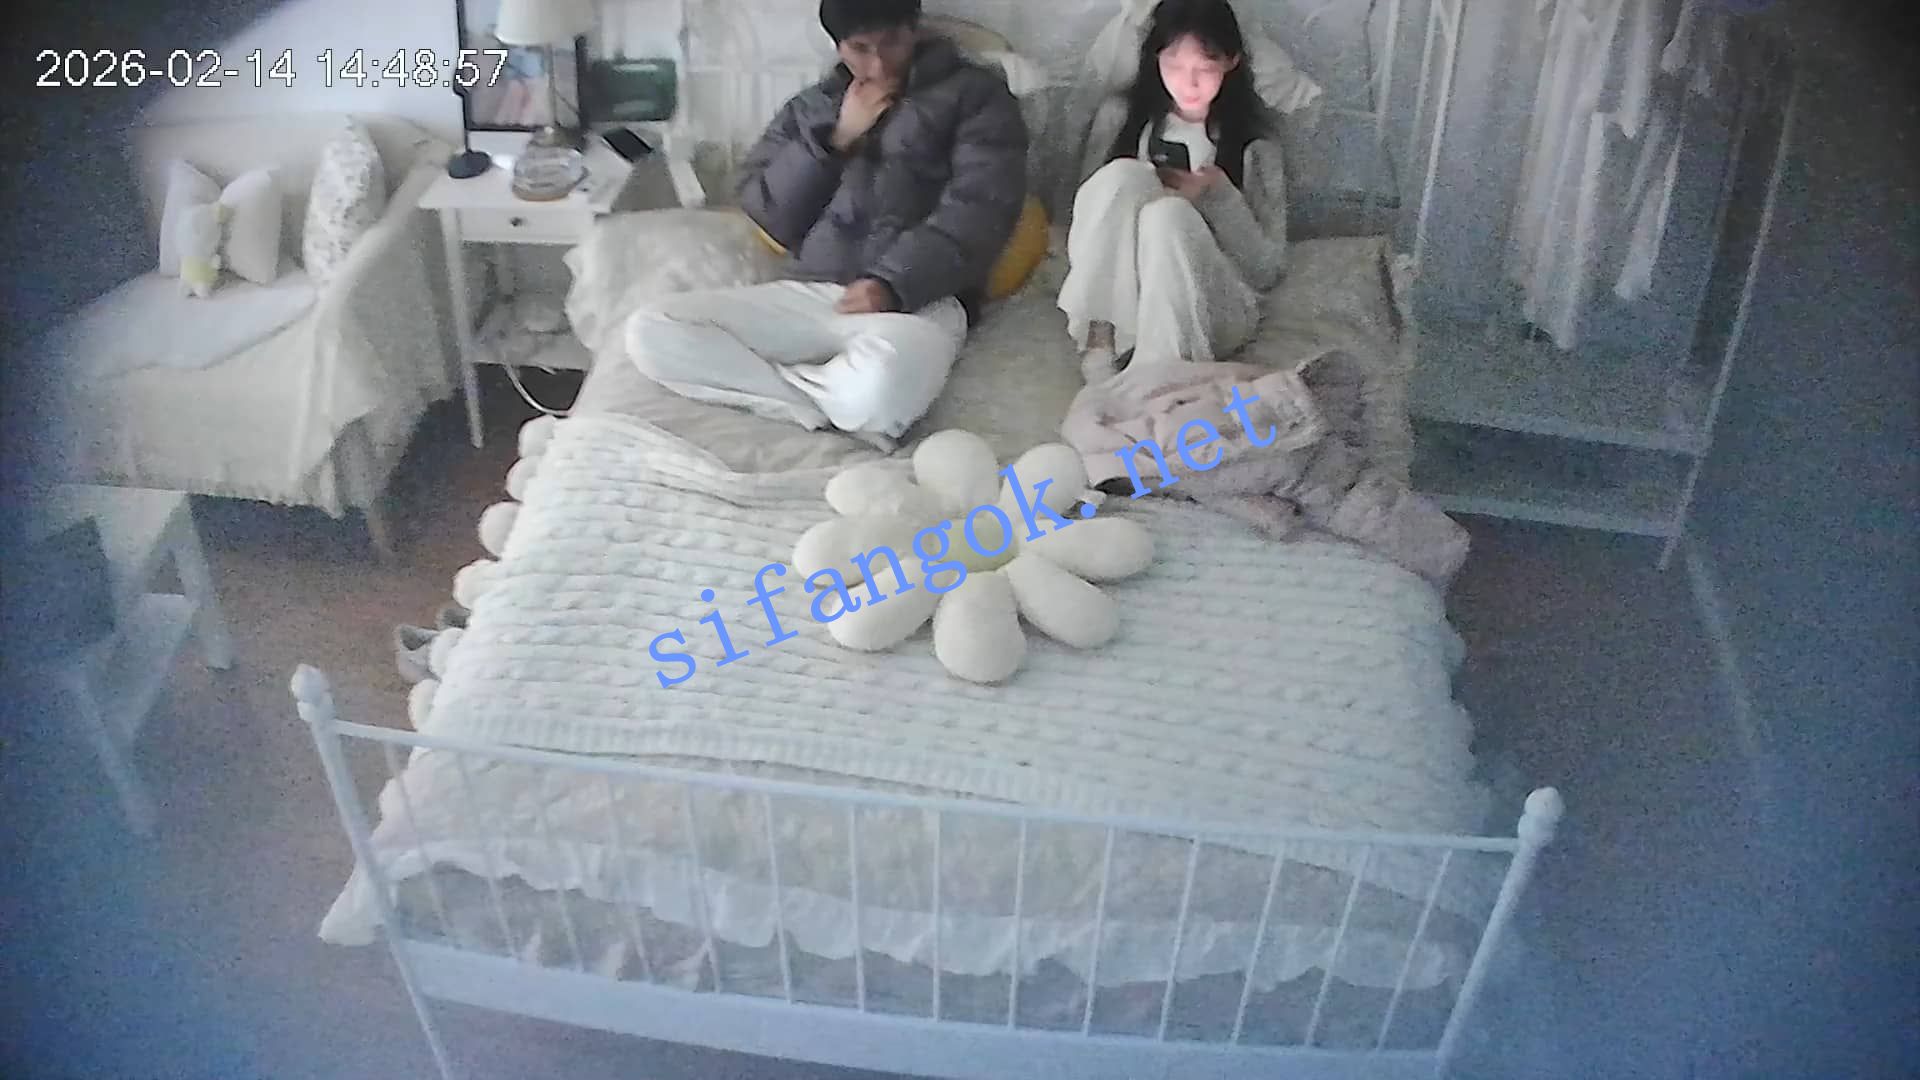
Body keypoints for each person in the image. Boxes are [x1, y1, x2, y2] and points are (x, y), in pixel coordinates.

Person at [625, 0, 1029, 450]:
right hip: (810, 292)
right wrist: (834, 140)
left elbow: (981, 209)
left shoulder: (978, 97)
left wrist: (892, 283)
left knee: (883, 385)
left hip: (919, 301)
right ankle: (820, 407)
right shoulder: (811, 107)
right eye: (861, 49)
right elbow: (766, 211)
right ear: (839, 47)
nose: (879, 64)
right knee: (651, 329)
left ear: (914, 29)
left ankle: (789, 392)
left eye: (892, 42)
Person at [1057, 0, 1291, 391]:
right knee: (1124, 177)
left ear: (1231, 61)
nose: (1189, 83)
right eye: (1174, 66)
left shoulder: (1256, 145)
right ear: (1155, 60)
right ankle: (1101, 340)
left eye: (1205, 68)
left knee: (1167, 216)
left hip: (1213, 303)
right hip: (1127, 295)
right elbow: (1088, 224)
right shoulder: (1122, 119)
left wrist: (1218, 195)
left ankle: (1158, 369)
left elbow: (1267, 269)